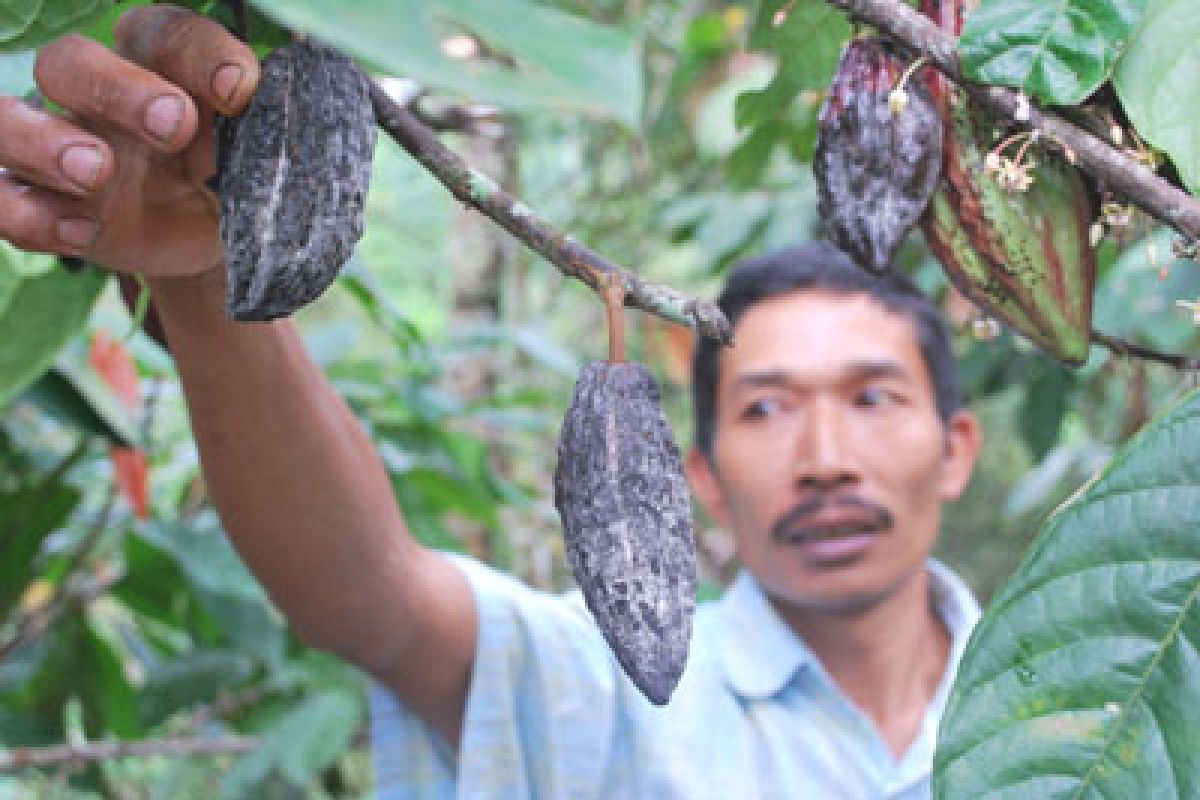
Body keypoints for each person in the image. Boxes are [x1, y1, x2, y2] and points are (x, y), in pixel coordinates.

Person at [0, 7, 983, 799]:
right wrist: (207, 284)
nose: (824, 455)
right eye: (767, 407)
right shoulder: (597, 690)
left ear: (956, 445)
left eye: (872, 397)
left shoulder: (1105, 696)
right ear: (700, 478)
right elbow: (367, 595)